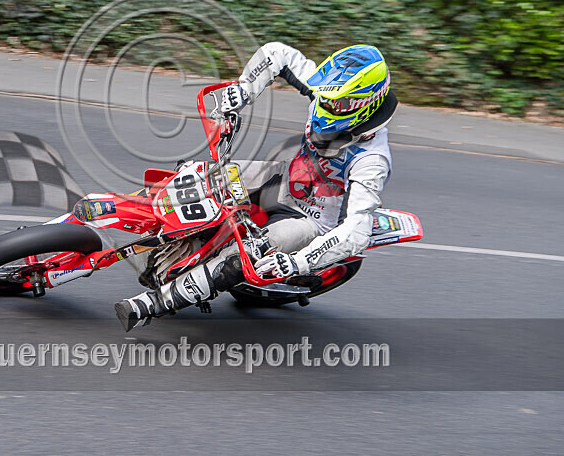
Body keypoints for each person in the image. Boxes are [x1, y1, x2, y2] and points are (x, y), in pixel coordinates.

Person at [115, 43, 398, 331]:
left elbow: (357, 232)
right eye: (324, 97)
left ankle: (154, 304)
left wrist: (299, 263)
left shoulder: (372, 159)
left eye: (336, 103)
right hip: (285, 176)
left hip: (312, 221)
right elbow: (277, 53)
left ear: (365, 104)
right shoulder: (327, 89)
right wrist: (244, 90)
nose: (324, 105)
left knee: (243, 257)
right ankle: (129, 212)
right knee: (196, 175)